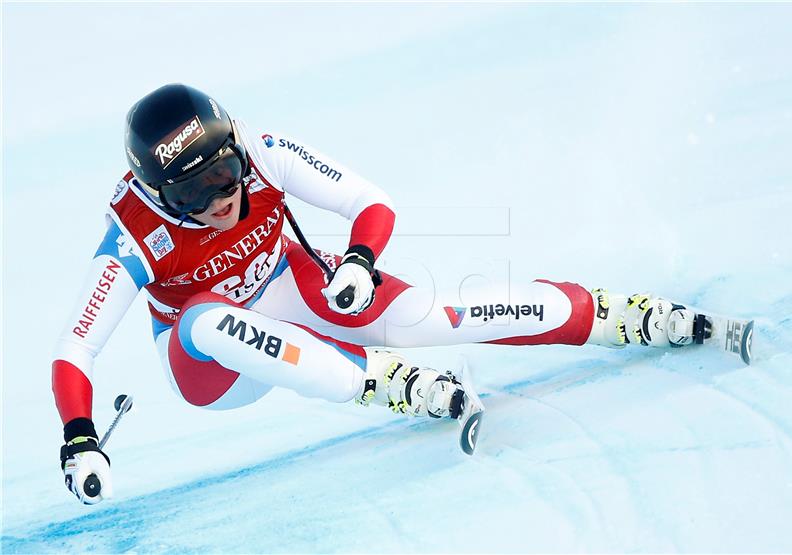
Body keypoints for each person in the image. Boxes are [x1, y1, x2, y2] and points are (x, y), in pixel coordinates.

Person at [53, 84, 703, 505]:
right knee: (206, 319)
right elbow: (76, 349)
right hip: (212, 366)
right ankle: (383, 382)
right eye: (197, 195)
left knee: (429, 316)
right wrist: (80, 437)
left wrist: (360, 261)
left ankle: (612, 314)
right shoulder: (135, 235)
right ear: (162, 197)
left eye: (227, 173)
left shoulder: (262, 150)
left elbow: (370, 201)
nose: (222, 198)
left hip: (288, 288)